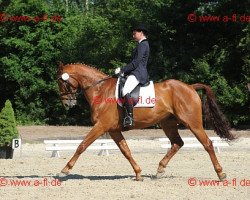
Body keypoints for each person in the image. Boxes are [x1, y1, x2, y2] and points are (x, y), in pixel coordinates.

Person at [115, 24, 150, 127]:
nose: (133, 35)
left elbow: (136, 63)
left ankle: (129, 117)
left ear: (141, 33)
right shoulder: (141, 44)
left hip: (138, 73)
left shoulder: (143, 45)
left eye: (134, 33)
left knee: (125, 90)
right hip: (136, 72)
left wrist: (122, 70)